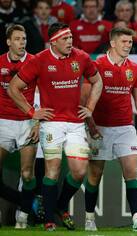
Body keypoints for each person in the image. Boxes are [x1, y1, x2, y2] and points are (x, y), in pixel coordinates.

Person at [7, 22, 103, 231]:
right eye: (65, 39)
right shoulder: (39, 60)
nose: (70, 42)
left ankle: (60, 206)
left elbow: (98, 81)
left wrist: (90, 108)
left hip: (76, 124)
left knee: (79, 171)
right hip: (51, 124)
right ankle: (48, 219)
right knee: (53, 169)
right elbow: (14, 88)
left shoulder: (81, 57)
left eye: (71, 38)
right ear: (53, 41)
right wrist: (32, 112)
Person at [81, 27, 137, 232]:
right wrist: (91, 127)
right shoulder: (97, 65)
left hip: (125, 127)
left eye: (130, 42)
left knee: (131, 172)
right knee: (95, 175)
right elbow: (85, 99)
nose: (128, 46)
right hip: (99, 127)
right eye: (124, 42)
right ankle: (89, 218)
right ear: (112, 43)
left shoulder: (134, 68)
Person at [0, 24, 37, 229]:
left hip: (27, 122)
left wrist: (38, 122)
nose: (22, 42)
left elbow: (41, 93)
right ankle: (27, 202)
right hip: (3, 122)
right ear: (8, 42)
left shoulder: (34, 62)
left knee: (27, 174)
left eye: (23, 39)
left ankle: (22, 216)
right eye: (17, 39)